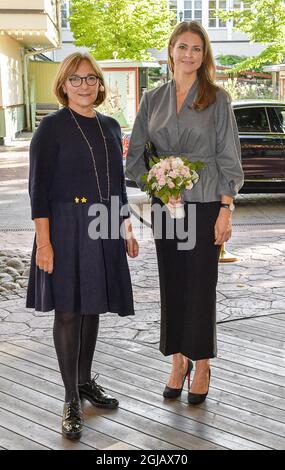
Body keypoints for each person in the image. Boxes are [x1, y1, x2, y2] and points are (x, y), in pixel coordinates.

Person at [126, 21, 244, 405]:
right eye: (182, 47)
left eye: (196, 48)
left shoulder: (218, 99)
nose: (189, 54)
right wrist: (158, 184)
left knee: (200, 287)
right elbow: (135, 159)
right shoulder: (152, 99)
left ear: (203, 54)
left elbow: (229, 158)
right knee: (172, 285)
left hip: (207, 203)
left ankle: (203, 363)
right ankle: (178, 362)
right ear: (171, 50)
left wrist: (226, 209)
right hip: (166, 207)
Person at [26, 52, 139, 439]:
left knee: (93, 307)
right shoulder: (51, 127)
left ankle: (87, 381)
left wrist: (125, 227)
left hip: (103, 224)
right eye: (75, 79)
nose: (84, 85)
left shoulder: (110, 125)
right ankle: (71, 398)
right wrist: (45, 243)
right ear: (63, 84)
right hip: (65, 226)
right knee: (70, 312)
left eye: (90, 78)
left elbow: (118, 183)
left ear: (100, 83)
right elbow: (37, 191)